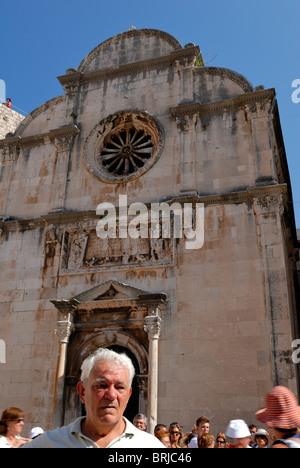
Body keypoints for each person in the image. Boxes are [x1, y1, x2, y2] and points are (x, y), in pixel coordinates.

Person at [24, 348, 164, 448]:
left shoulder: (151, 446)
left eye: (120, 387)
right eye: (101, 385)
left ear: (128, 395)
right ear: (82, 391)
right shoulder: (48, 443)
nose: (111, 395)